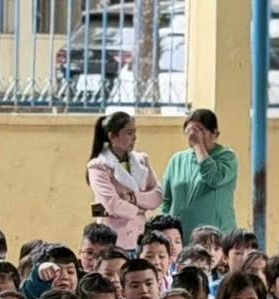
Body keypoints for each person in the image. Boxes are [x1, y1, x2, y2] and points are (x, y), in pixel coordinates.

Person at [86, 111, 164, 252]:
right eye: (129, 133)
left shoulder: (142, 160)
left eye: (135, 132)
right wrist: (142, 208)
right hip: (113, 241)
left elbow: (158, 196)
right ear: (113, 136)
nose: (134, 138)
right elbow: (113, 205)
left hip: (141, 238)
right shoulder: (98, 166)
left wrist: (131, 198)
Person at [159, 108, 237, 239]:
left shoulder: (227, 157)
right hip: (182, 237)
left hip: (216, 238)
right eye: (190, 131)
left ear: (215, 133)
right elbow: (166, 200)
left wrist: (198, 146)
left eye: (200, 131)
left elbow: (213, 178)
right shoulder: (177, 160)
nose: (193, 135)